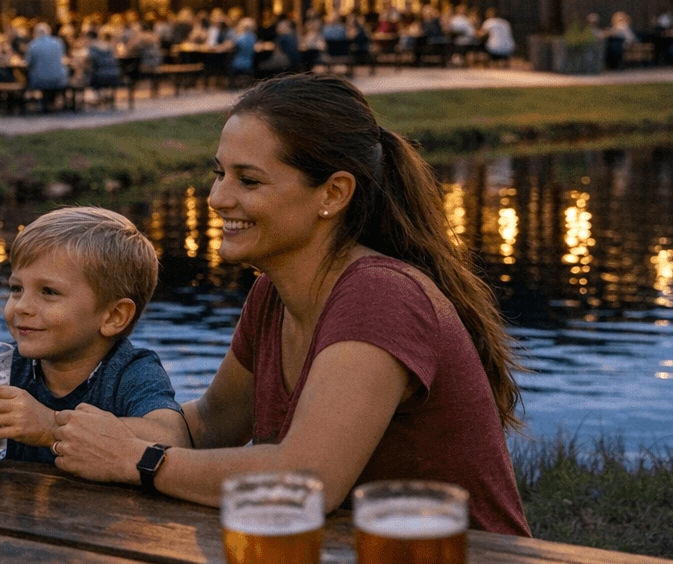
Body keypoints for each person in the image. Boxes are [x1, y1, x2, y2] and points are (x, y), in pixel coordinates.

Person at [51, 73, 531, 535]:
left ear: (333, 193)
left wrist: (135, 460)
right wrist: (61, 428)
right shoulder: (273, 294)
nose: (217, 198)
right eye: (220, 173)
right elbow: (212, 423)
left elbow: (307, 481)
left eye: (249, 181)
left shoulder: (381, 295)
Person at [0, 206, 189, 462]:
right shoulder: (5, 368)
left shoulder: (128, 371)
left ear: (113, 316)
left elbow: (174, 439)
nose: (22, 306)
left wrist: (50, 426)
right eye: (17, 288)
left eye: (48, 292)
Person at [25, 21, 68, 111]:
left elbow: (29, 64)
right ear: (49, 31)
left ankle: (43, 103)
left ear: (35, 33)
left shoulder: (33, 45)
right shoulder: (58, 43)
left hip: (40, 80)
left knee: (32, 75)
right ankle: (51, 102)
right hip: (59, 79)